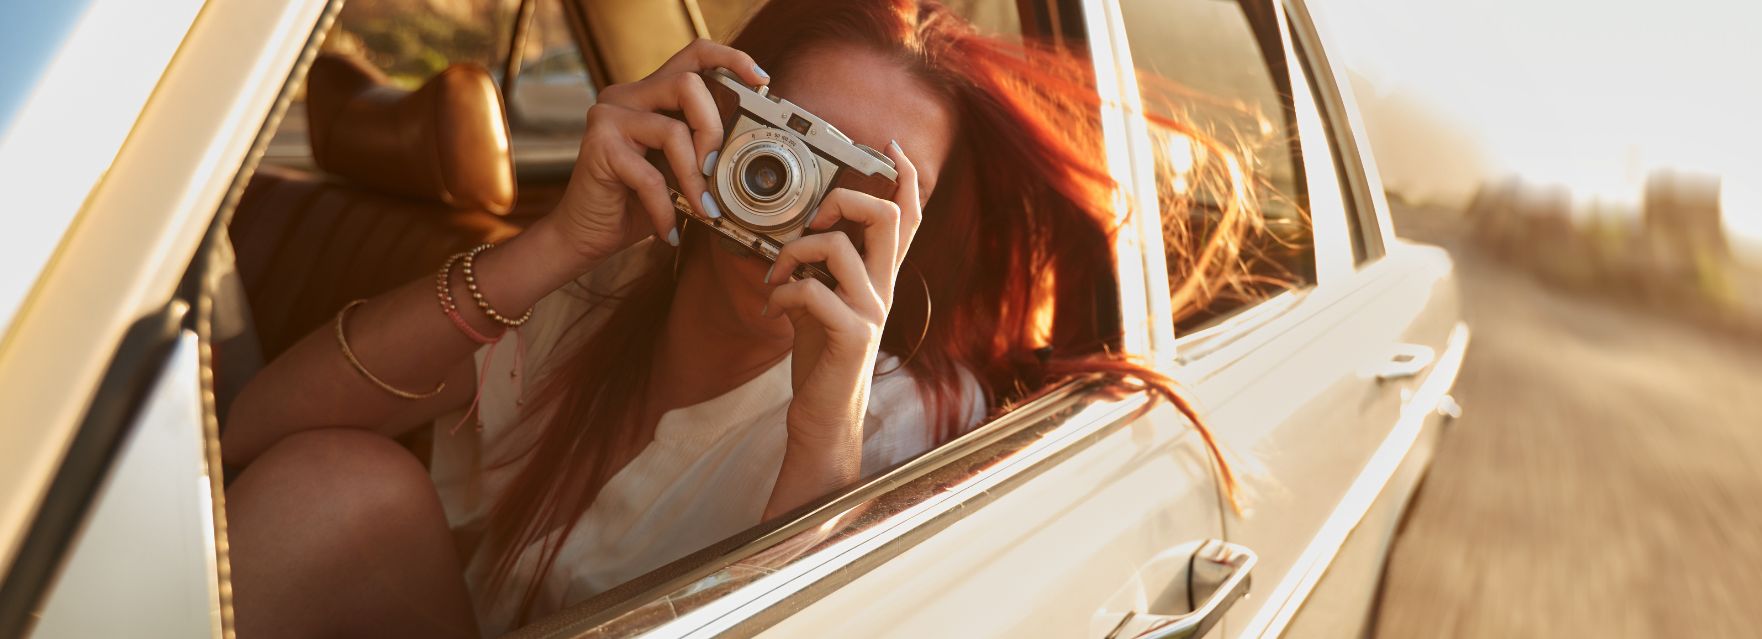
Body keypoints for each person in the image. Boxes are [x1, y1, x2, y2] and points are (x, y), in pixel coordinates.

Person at [219, 0, 1256, 636]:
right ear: (717, 123)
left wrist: (823, 414)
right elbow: (257, 435)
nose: (799, 194)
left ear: (918, 236)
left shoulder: (909, 419)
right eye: (789, 142)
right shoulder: (598, 286)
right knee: (332, 488)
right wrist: (557, 245)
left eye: (866, 185)